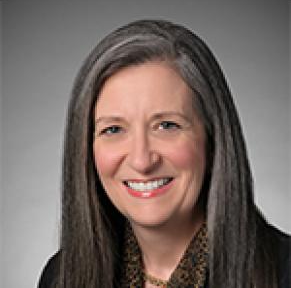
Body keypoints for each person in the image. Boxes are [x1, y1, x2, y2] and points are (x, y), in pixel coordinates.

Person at [38, 19, 290, 288]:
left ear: (213, 138)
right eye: (113, 129)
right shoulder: (60, 277)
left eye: (167, 125)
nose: (141, 160)